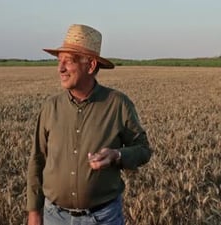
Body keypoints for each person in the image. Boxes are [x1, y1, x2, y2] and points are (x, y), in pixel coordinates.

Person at [26, 24, 152, 225]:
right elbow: (37, 160)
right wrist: (34, 212)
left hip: (102, 218)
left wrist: (117, 156)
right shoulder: (51, 107)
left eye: (68, 61)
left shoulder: (118, 104)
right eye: (59, 61)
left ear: (91, 66)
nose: (61, 69)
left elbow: (144, 150)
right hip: (54, 217)